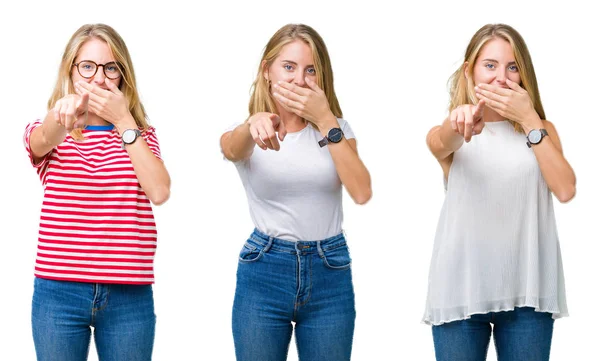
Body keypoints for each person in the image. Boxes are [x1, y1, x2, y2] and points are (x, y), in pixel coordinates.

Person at [422, 23, 576, 361]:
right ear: (470, 71)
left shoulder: (542, 131)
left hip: (528, 296)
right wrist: (456, 122)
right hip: (459, 292)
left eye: (512, 67)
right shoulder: (451, 130)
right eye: (489, 65)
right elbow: (440, 142)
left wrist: (530, 121)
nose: (501, 77)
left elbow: (565, 189)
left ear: (523, 74)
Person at [220, 23, 372, 361]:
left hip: (329, 271)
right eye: (288, 67)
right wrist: (251, 124)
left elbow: (361, 192)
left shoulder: (338, 131)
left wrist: (326, 120)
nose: (299, 79)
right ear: (267, 71)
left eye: (310, 70)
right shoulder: (247, 132)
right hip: (264, 269)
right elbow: (232, 149)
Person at [24, 23, 170, 361]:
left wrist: (124, 122)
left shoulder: (141, 136)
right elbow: (43, 139)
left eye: (110, 68)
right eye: (87, 67)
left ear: (123, 76)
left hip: (128, 297)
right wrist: (61, 118)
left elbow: (160, 191)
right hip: (58, 293)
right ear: (71, 70)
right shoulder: (50, 130)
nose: (99, 78)